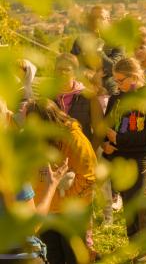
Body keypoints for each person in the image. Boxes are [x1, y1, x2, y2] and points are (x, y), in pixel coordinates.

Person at [26, 99, 97, 264]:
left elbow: (88, 177)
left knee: (73, 257)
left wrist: (62, 201)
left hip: (70, 212)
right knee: (52, 257)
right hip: (45, 209)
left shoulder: (74, 138)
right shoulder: (34, 138)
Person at [102, 57, 146, 241]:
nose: (117, 85)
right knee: (129, 207)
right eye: (115, 80)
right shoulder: (117, 98)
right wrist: (106, 144)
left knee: (138, 206)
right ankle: (134, 245)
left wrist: (118, 138)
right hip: (119, 159)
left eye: (121, 80)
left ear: (134, 76)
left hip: (141, 159)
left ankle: (143, 250)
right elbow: (107, 126)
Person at [54, 53, 104, 150]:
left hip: (80, 154)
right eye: (59, 69)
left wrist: (89, 152)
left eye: (67, 69)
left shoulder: (89, 97)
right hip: (55, 156)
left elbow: (100, 131)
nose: (62, 73)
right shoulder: (47, 97)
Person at [71, 6, 124, 95]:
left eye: (100, 18)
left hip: (110, 89)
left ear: (108, 20)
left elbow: (115, 68)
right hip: (84, 87)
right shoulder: (80, 40)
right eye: (93, 18)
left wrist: (99, 52)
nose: (96, 21)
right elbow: (72, 65)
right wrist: (88, 73)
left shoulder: (117, 42)